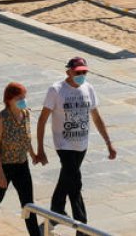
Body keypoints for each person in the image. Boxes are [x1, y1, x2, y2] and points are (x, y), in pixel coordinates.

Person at [37, 57, 116, 232]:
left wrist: (108, 142)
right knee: (75, 183)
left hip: (82, 144)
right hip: (64, 145)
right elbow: (42, 120)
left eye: (84, 72)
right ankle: (83, 226)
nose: (81, 75)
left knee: (66, 180)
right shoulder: (56, 90)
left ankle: (55, 214)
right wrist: (40, 149)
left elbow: (96, 117)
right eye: (77, 72)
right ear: (68, 72)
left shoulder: (89, 88)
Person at [0, 82, 43, 236]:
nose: (23, 100)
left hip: (21, 165)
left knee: (28, 204)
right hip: (3, 165)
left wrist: (33, 154)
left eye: (24, 97)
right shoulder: (1, 118)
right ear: (9, 99)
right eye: (19, 98)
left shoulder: (26, 113)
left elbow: (25, 138)